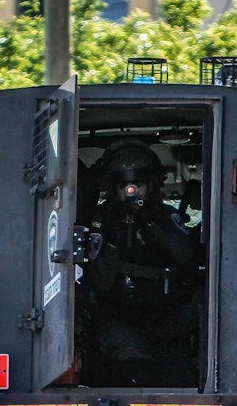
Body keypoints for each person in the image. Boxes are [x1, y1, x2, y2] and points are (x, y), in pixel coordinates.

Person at [79, 139, 201, 387]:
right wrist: (112, 242)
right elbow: (98, 282)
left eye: (138, 184)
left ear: (152, 185)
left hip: (166, 319)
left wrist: (151, 225)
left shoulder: (166, 218)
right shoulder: (100, 222)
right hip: (117, 320)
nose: (131, 191)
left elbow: (186, 256)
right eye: (124, 185)